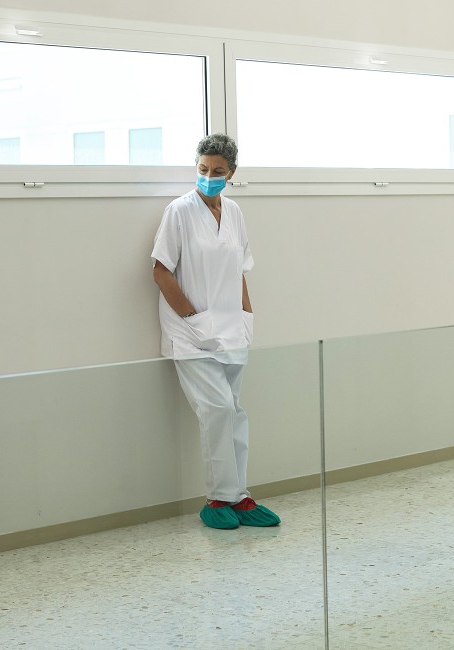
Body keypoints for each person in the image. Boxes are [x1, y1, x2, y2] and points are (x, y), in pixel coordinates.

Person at [150, 133, 280, 530]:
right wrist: (192, 318)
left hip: (231, 329)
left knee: (235, 412)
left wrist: (247, 314)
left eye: (218, 172)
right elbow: (159, 270)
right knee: (217, 409)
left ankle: (240, 497)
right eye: (203, 170)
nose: (209, 177)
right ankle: (217, 498)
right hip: (190, 334)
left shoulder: (236, 212)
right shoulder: (179, 211)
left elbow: (240, 267)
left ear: (232, 173)